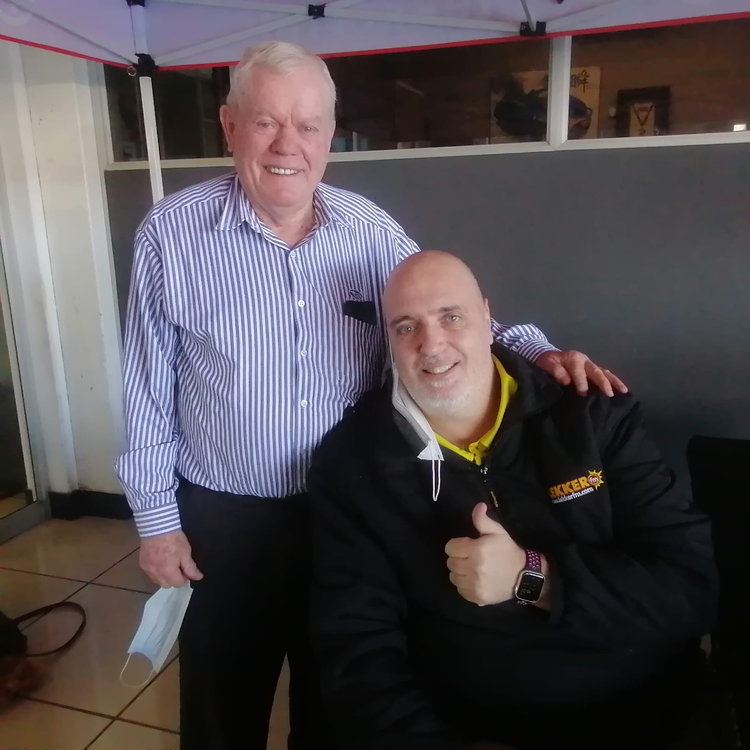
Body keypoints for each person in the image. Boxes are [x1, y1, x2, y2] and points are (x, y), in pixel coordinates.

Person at [114, 40, 626, 750]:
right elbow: (145, 384)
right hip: (227, 518)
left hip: (349, 513)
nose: (287, 144)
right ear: (230, 127)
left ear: (330, 135)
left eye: (307, 125)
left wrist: (539, 351)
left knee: (337, 696)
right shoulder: (171, 236)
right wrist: (155, 520)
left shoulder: (368, 230)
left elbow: (450, 315)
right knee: (221, 702)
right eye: (266, 122)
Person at [309, 251, 717, 750]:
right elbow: (357, 651)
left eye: (451, 317)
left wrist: (536, 578)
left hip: (638, 716)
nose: (431, 345)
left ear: (487, 318)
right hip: (471, 731)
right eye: (406, 327)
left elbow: (691, 589)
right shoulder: (353, 463)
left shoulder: (592, 415)